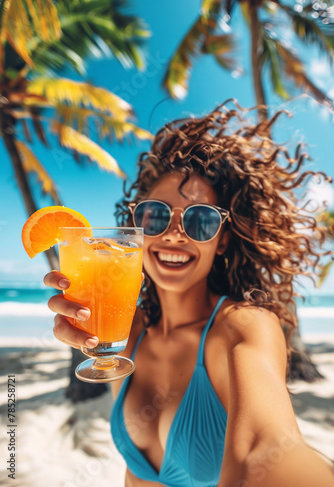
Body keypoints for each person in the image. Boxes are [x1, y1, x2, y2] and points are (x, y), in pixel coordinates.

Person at [44, 101, 334, 487]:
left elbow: (266, 449)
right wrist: (85, 315)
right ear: (137, 225)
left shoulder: (243, 327)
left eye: (200, 220)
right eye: (156, 215)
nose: (174, 233)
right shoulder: (128, 335)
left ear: (224, 239)